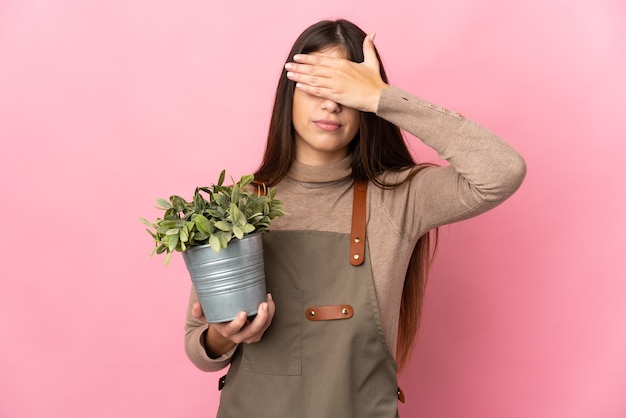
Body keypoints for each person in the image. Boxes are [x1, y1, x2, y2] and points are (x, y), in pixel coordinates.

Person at [184, 19, 526, 417]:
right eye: (319, 85)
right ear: (289, 92)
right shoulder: (237, 208)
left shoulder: (401, 197)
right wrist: (222, 337)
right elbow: (198, 346)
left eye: (345, 89)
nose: (332, 103)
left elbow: (502, 171)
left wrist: (384, 97)